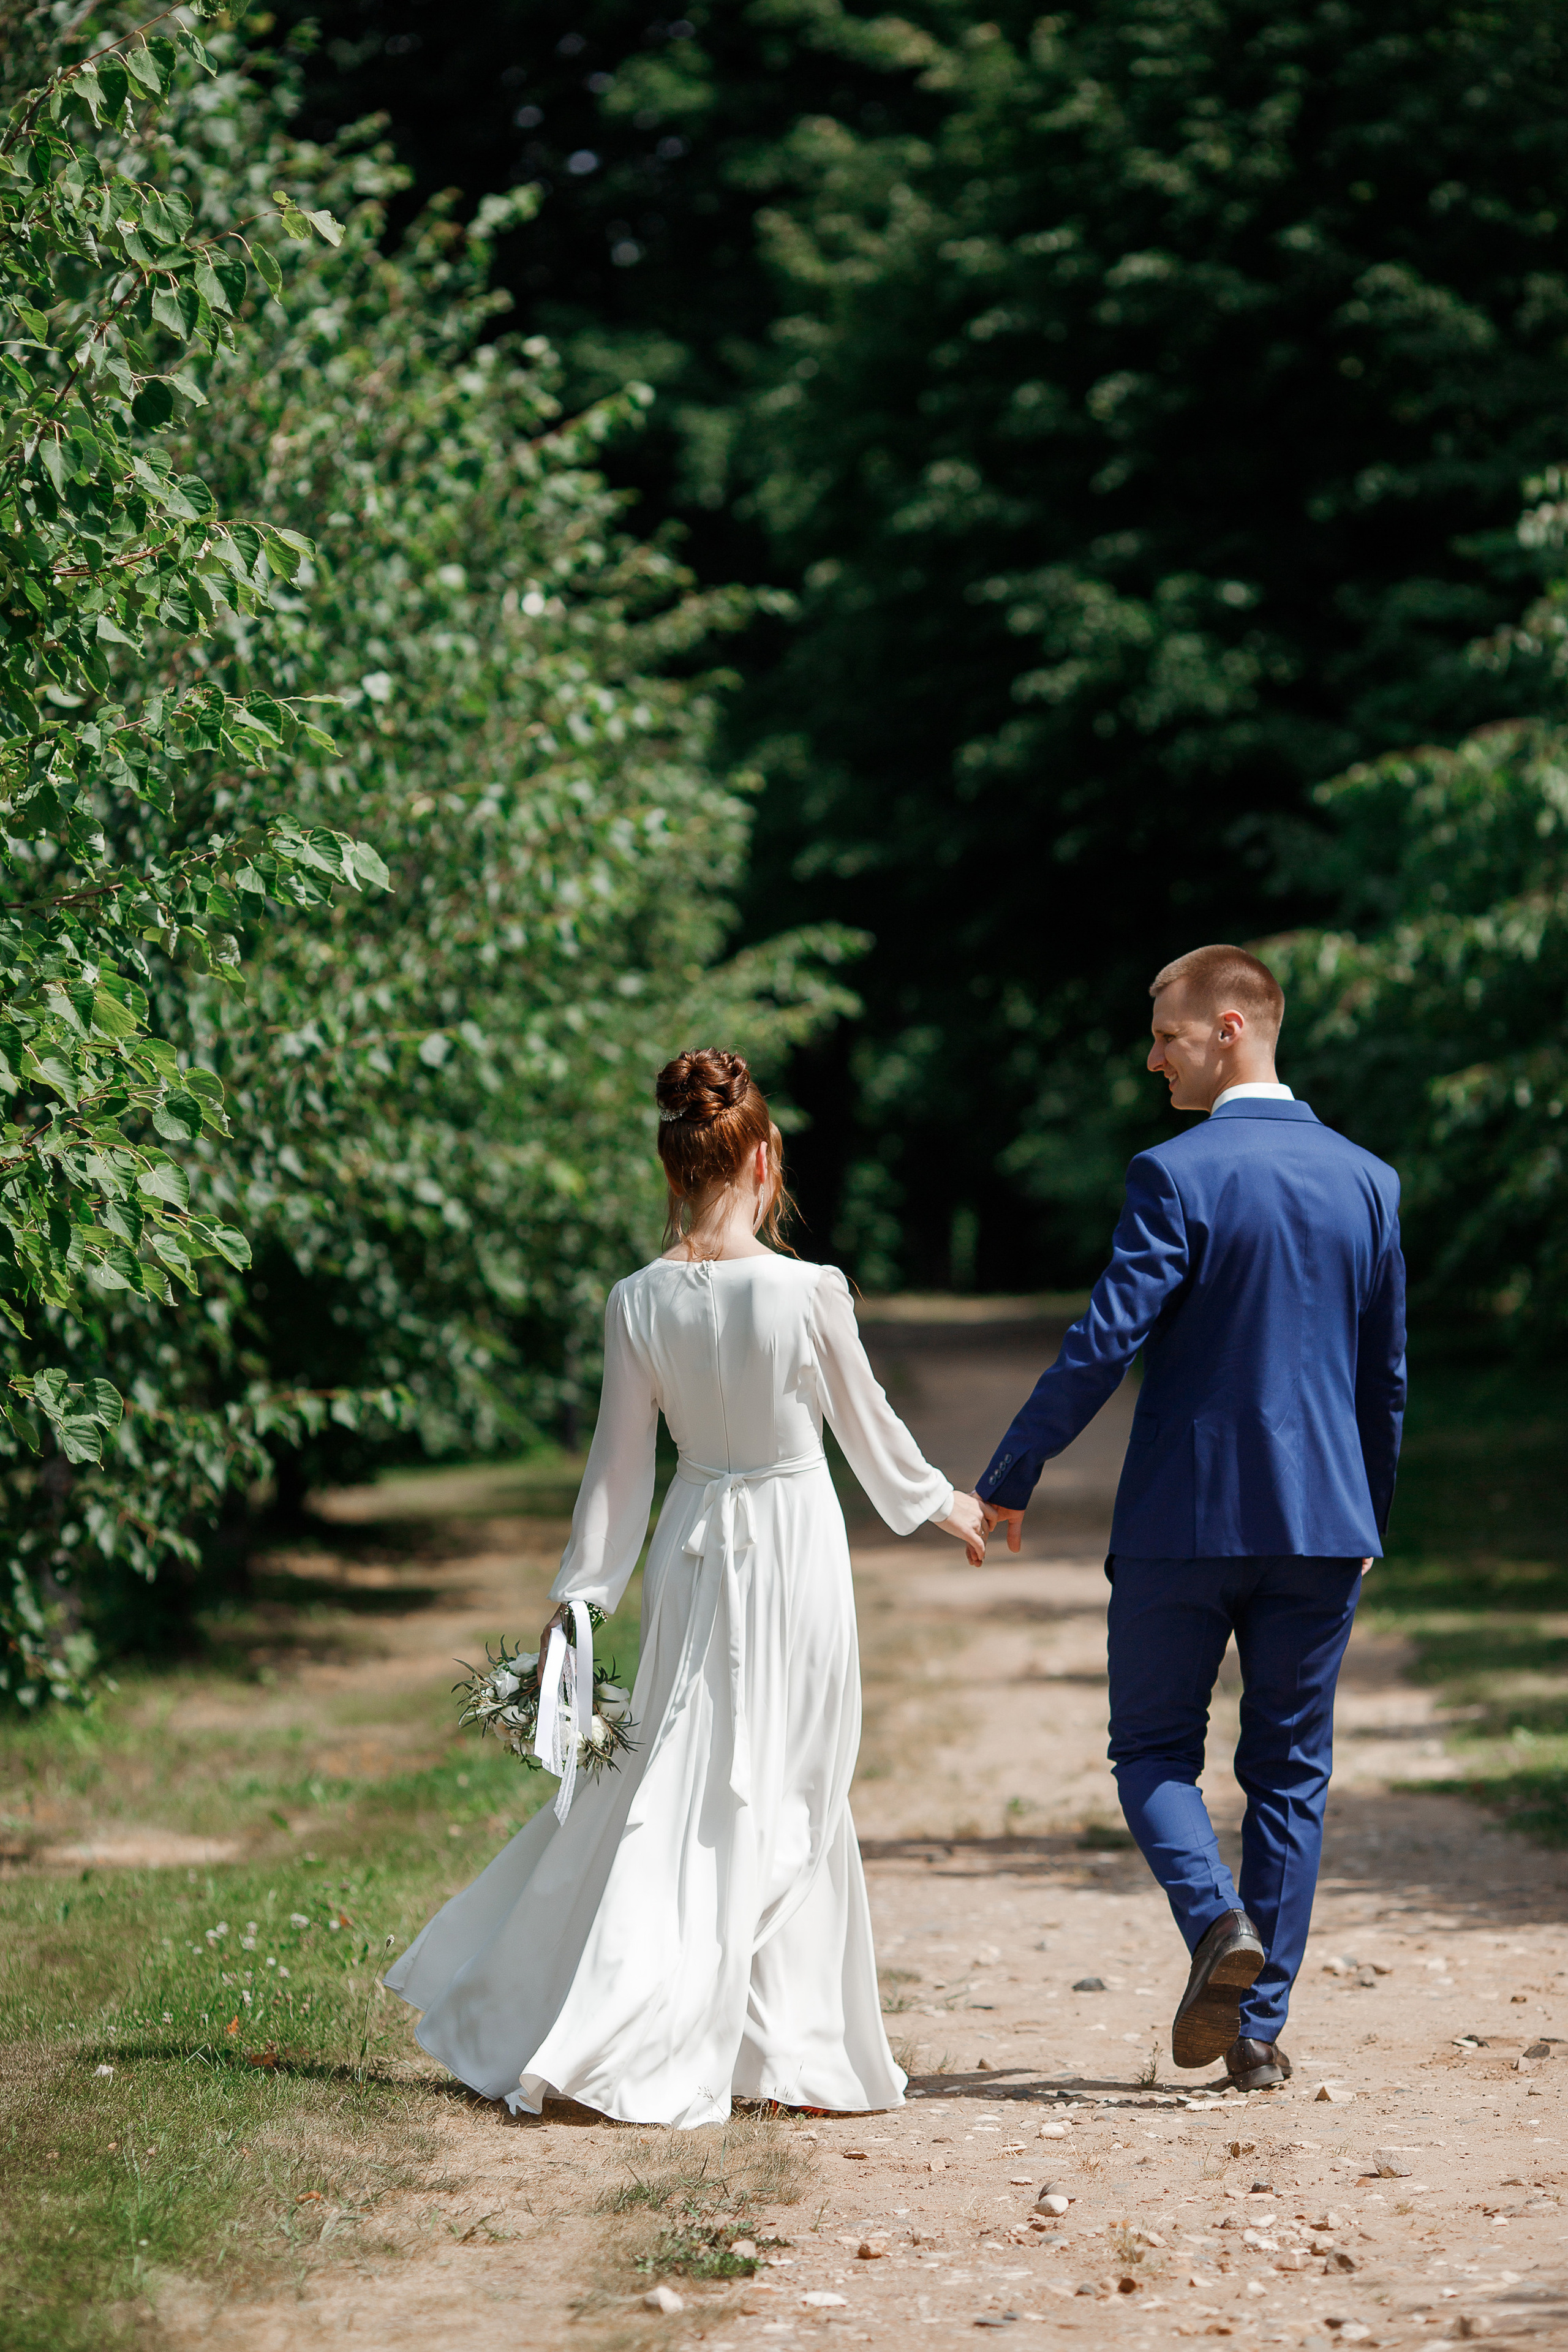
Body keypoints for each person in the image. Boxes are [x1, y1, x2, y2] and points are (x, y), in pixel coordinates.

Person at [386, 1048, 988, 2127]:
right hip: (792, 1545)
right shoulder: (808, 1290)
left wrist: (582, 1597)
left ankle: (732, 2037)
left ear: (675, 1170)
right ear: (762, 1162)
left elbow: (618, 1470)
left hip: (693, 1538)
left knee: (689, 1770)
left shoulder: (637, 1300)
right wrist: (950, 1506)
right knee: (792, 1779)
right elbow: (870, 1432)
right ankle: (780, 2051)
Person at [974, 945, 1406, 2093]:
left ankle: (1218, 1924)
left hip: (1185, 1518)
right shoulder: (1370, 1180)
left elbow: (1103, 1342)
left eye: (1166, 1035)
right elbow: (1385, 1376)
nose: (1152, 1058)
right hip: (1326, 1526)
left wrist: (1013, 1471)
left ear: (1230, 1029)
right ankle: (1255, 2033)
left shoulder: (1175, 1175)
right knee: (1291, 1772)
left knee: (1154, 1752)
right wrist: (1369, 1511)